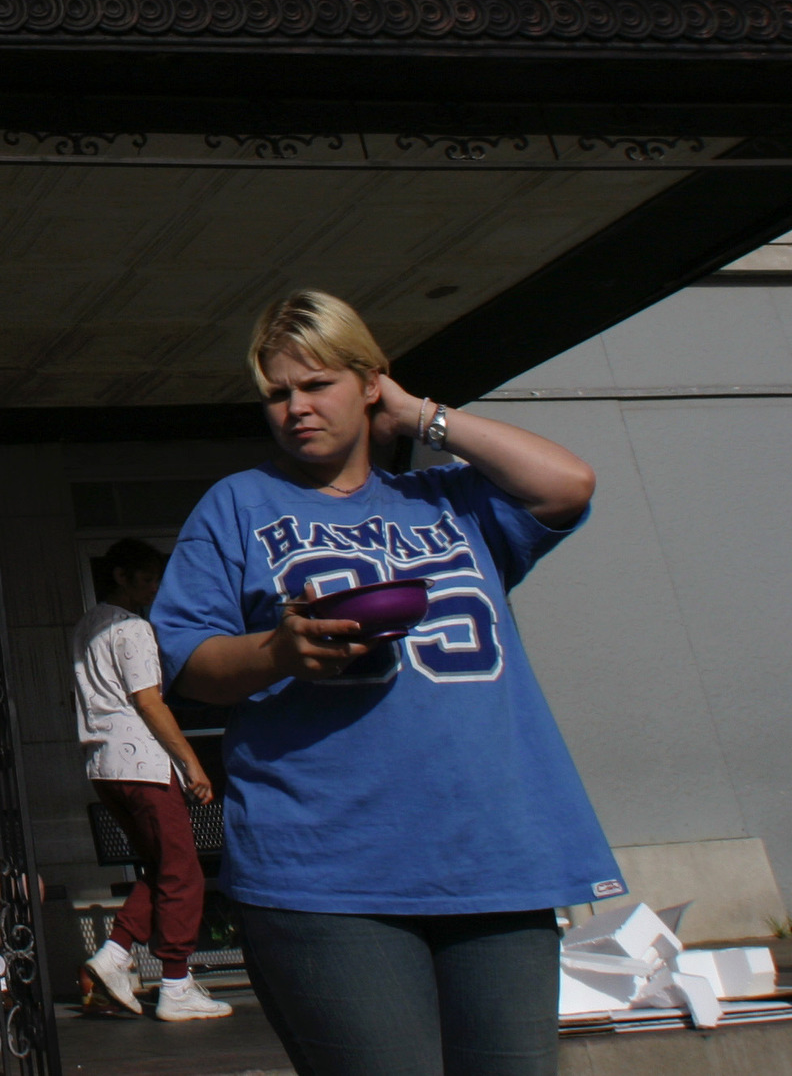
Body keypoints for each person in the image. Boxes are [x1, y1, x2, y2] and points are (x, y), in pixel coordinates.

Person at [150, 290, 618, 1076]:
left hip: (496, 858)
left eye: (318, 383)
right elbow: (188, 662)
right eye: (275, 393)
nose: (295, 408)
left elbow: (568, 483)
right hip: (328, 870)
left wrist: (421, 416)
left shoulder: (451, 499)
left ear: (370, 382)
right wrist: (277, 652)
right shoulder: (237, 504)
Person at [74, 539, 231, 1023]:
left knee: (161, 866)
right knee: (182, 871)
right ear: (120, 576)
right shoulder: (133, 628)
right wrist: (192, 764)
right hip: (142, 762)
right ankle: (176, 983)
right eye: (146, 579)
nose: (154, 589)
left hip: (103, 764)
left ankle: (113, 957)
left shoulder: (88, 626)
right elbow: (149, 702)